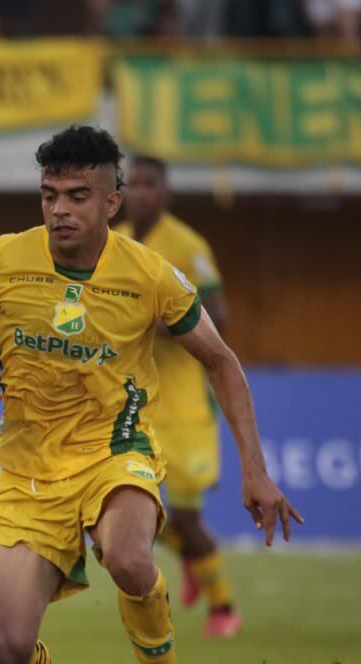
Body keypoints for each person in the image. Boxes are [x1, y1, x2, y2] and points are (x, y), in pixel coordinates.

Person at [0, 125, 301, 664]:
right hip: (27, 468)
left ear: (112, 202)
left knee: (130, 559)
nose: (60, 210)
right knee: (7, 651)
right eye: (50, 194)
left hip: (118, 448)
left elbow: (222, 362)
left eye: (78, 195)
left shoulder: (152, 275)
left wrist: (256, 469)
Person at [116, 155, 241, 638]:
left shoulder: (189, 246)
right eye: (136, 185)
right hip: (133, 403)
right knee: (117, 521)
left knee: (187, 518)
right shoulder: (114, 242)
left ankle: (224, 605)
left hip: (185, 405)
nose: (143, 193)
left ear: (165, 193)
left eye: (152, 185)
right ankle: (192, 560)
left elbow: (221, 318)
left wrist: (161, 321)